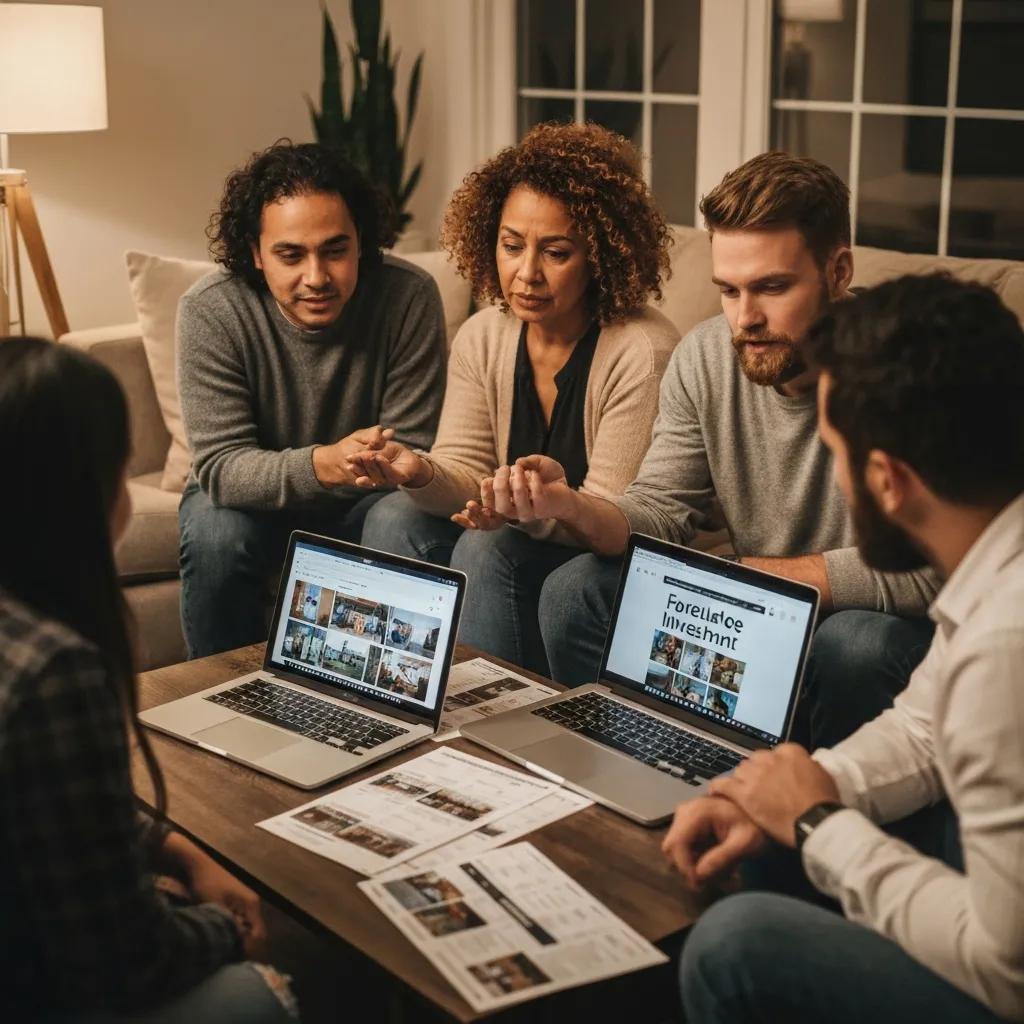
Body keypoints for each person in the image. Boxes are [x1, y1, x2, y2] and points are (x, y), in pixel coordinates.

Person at [483, 151, 938, 747]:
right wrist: (570, 505)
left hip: (869, 628)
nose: (745, 319)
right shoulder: (705, 356)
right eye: (728, 290)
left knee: (854, 641)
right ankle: (643, 767)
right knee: (577, 592)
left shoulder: (911, 369)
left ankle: (820, 797)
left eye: (772, 287)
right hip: (750, 612)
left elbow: (938, 566)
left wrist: (759, 578)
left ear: (839, 271)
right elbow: (661, 510)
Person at [664, 275, 1024, 1024]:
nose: (836, 476)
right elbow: (923, 727)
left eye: (835, 455)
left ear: (888, 480)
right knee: (767, 842)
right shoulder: (995, 565)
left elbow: (1006, 968)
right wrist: (796, 790)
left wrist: (819, 826)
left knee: (734, 944)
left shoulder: (1004, 648)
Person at [0, 338, 296, 1022]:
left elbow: (49, 805)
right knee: (265, 993)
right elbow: (124, 965)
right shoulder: (55, 672)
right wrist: (228, 932)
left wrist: (172, 847)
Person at [352, 122, 679, 674]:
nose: (526, 273)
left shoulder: (641, 351)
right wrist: (419, 471)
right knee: (392, 516)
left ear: (599, 255)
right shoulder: (484, 335)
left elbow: (613, 519)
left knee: (489, 548)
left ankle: (494, 713)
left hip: (605, 552)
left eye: (556, 252)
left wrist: (510, 513)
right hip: (527, 535)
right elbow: (466, 472)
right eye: (511, 246)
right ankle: (398, 690)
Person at [177, 140, 447, 658]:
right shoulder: (212, 310)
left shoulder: (407, 296)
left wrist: (363, 466)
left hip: (368, 500)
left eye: (335, 250)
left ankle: (369, 689)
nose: (317, 277)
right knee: (214, 530)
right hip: (249, 503)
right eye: (291, 255)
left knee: (399, 517)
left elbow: (412, 449)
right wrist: (326, 463)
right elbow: (222, 468)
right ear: (256, 253)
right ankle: (220, 690)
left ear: (361, 242)